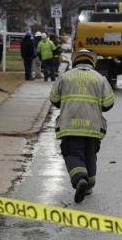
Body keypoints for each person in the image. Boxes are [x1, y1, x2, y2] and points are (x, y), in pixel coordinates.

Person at [49, 49, 114, 203]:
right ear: (92, 61)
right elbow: (108, 103)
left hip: (70, 126)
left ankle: (80, 179)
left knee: (72, 153)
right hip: (93, 127)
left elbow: (54, 98)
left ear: (75, 60)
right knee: (90, 154)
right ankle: (89, 184)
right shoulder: (100, 79)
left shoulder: (65, 77)